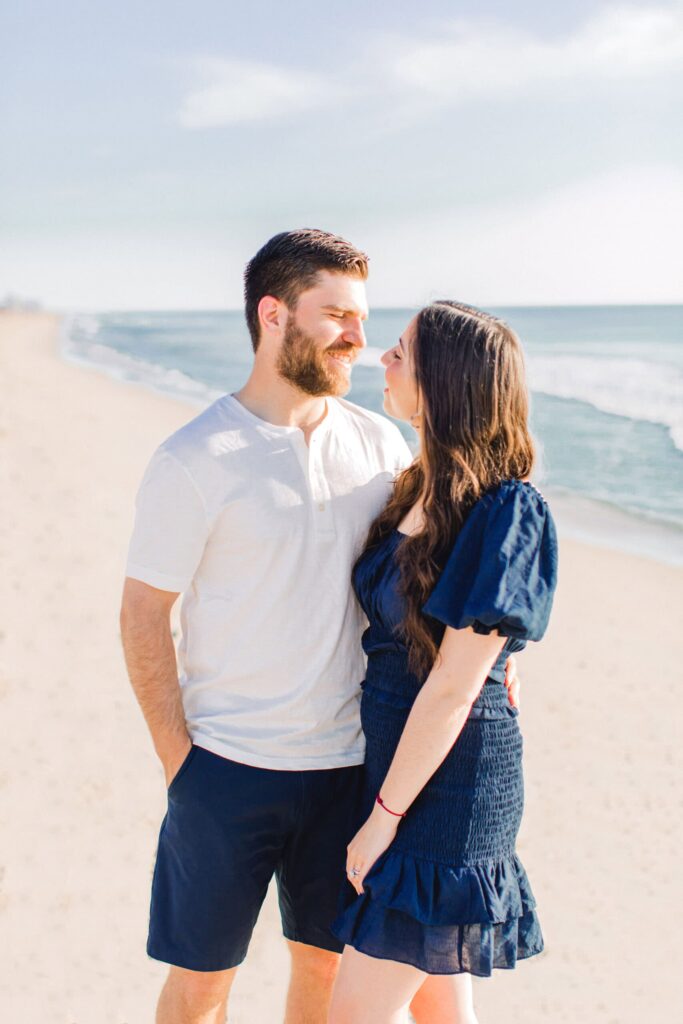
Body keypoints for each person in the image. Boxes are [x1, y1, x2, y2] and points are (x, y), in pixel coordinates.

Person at [120, 231, 520, 1024]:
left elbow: (445, 564)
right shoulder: (194, 458)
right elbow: (142, 616)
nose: (358, 340)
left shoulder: (378, 445)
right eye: (336, 315)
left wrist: (500, 658)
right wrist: (181, 764)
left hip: (350, 770)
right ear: (273, 315)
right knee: (201, 985)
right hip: (227, 767)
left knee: (324, 974)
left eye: (363, 319)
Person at [329, 301, 558, 1024]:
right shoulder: (412, 484)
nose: (382, 361)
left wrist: (384, 819)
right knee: (438, 1010)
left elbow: (455, 684)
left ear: (447, 381)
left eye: (401, 352)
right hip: (398, 765)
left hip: (447, 790)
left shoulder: (507, 508)